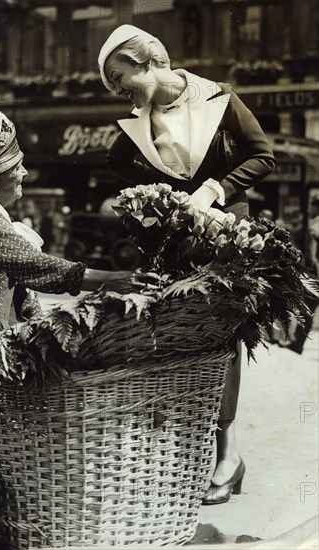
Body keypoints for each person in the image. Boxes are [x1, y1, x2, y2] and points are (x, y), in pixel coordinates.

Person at [0, 108, 156, 460]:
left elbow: (23, 291)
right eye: (13, 167)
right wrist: (115, 281)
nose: (23, 172)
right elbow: (37, 267)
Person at [98, 25, 276, 504]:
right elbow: (117, 163)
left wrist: (215, 190)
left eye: (120, 78)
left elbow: (263, 157)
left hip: (224, 242)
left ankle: (228, 456)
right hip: (173, 249)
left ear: (144, 61)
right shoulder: (137, 123)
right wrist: (157, 196)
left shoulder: (219, 98)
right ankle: (183, 456)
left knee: (223, 342)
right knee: (175, 342)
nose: (118, 91)